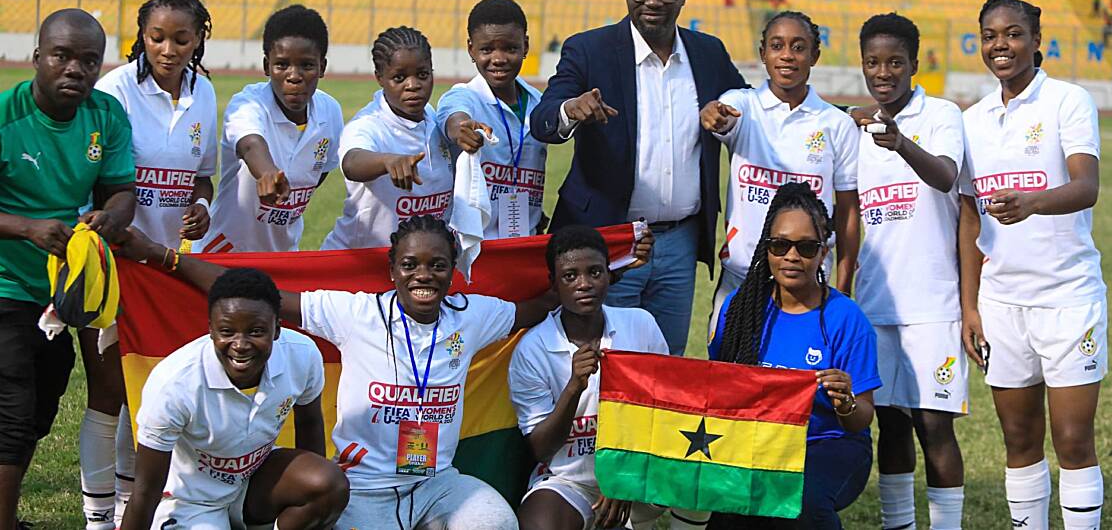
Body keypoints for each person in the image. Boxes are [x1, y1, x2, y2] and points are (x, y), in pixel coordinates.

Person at [119, 215, 652, 529]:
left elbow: (540, 303)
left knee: (497, 523)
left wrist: (607, 268)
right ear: (393, 269)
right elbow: (261, 298)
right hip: (362, 486)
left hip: (439, 483)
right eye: (411, 266)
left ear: (452, 271)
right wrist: (162, 258)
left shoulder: (477, 315)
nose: (425, 276)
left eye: (438, 266)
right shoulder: (355, 313)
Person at [531, 0, 747, 355]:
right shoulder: (589, 49)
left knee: (667, 365)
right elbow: (543, 120)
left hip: (681, 241)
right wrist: (569, 109)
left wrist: (832, 115)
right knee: (603, 362)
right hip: (608, 239)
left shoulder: (708, 53)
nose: (652, 1)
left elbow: (752, 105)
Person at [959, 0, 1106, 529]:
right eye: (991, 35)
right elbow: (970, 219)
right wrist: (970, 306)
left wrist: (1033, 202)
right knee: (1019, 440)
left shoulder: (1068, 101)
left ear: (1037, 40)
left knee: (1072, 440)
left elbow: (1086, 186)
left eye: (1014, 33)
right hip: (1001, 304)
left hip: (1067, 298)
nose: (1002, 45)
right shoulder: (971, 120)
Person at [80, 0, 216, 529]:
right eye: (156, 37)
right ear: (142, 36)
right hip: (113, 263)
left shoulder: (204, 92)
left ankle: (133, 504)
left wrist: (201, 207)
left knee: (153, 389)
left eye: (181, 39)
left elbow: (202, 176)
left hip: (166, 266)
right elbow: (93, 177)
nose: (167, 49)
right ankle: (97, 517)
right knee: (109, 389)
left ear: (197, 40)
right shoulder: (114, 90)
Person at [0, 9, 136, 529]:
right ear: (37, 57)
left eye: (88, 60)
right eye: (62, 56)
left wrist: (112, 215)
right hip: (7, 282)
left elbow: (122, 190)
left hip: (64, 290)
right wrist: (28, 228)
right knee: (12, 407)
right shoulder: (8, 114)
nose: (75, 69)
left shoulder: (106, 116)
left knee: (39, 410)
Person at [509, 226, 708, 529]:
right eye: (570, 276)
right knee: (540, 524)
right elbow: (542, 449)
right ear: (553, 283)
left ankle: (640, 522)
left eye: (595, 272)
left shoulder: (640, 324)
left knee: (703, 472)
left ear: (609, 275)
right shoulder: (533, 349)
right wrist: (574, 387)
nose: (584, 284)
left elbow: (667, 415)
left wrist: (624, 479)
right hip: (569, 481)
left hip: (639, 472)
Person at [850, 13, 966, 530]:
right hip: (877, 304)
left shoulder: (941, 114)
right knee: (890, 426)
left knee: (934, 425)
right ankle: (898, 525)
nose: (884, 71)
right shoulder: (856, 129)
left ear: (915, 64)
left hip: (934, 304)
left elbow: (945, 176)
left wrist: (900, 142)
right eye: (873, 62)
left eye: (896, 61)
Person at [707, 182, 879, 529]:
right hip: (758, 440)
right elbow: (720, 391)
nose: (791, 256)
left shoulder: (845, 318)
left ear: (822, 253)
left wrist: (844, 401)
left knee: (802, 502)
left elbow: (861, 419)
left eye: (806, 247)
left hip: (827, 443)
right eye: (780, 245)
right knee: (727, 507)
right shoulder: (738, 310)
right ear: (766, 248)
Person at [121, 268, 348, 529]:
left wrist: (310, 500)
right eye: (227, 331)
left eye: (256, 331)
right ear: (210, 330)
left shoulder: (302, 354)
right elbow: (145, 491)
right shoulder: (173, 383)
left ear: (277, 329)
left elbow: (309, 424)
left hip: (254, 484)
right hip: (193, 502)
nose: (240, 344)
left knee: (327, 483)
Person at [699, 10, 859, 337]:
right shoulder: (741, 105)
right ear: (763, 54)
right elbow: (722, 118)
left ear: (815, 55)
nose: (787, 55)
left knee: (799, 382)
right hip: (740, 277)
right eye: (777, 45)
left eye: (798, 47)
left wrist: (842, 286)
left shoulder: (836, 125)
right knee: (731, 376)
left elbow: (848, 212)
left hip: (810, 286)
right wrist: (714, 116)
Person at [195, 4, 342, 254]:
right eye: (282, 65)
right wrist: (267, 173)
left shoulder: (330, 112)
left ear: (322, 67)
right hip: (226, 253)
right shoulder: (248, 103)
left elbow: (321, 173)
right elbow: (250, 144)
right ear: (266, 66)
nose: (293, 76)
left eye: (306, 65)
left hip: (283, 257)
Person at [322, 26, 461, 250]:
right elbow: (352, 162)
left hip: (418, 266)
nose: (413, 85)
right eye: (399, 78)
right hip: (361, 262)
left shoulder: (436, 123)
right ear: (380, 78)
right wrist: (388, 161)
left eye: (423, 75)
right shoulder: (367, 125)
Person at [437, 0, 548, 240]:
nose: (498, 59)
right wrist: (461, 129)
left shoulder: (539, 102)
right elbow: (453, 117)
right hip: (470, 247)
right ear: (471, 49)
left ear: (526, 45)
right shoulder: (463, 96)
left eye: (510, 48)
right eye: (487, 49)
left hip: (523, 241)